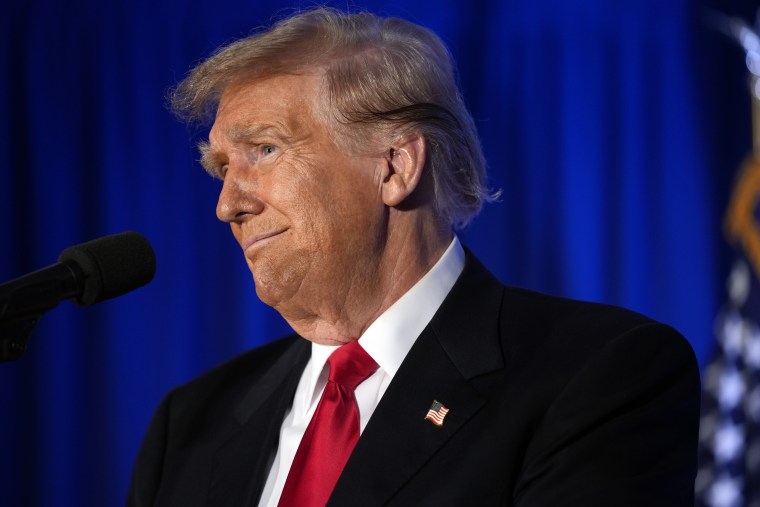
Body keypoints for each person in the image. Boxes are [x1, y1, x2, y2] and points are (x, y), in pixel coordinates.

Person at [127, 7, 700, 506]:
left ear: (396, 166)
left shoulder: (599, 377)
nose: (227, 205)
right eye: (223, 168)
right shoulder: (191, 423)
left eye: (265, 149)